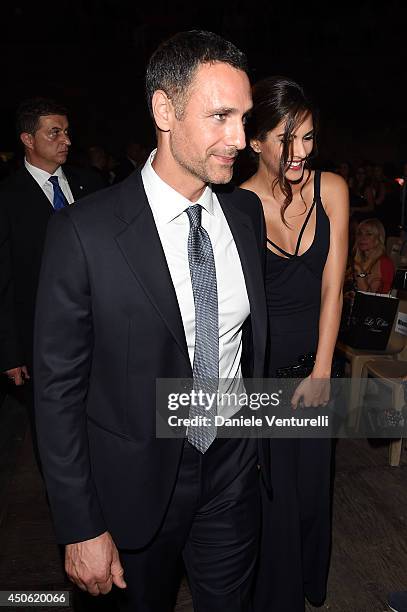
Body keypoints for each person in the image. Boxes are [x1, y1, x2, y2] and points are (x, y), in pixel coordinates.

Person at [34, 30, 267, 611]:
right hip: (133, 486)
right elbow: (58, 392)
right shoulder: (84, 233)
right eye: (220, 116)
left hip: (233, 467)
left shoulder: (243, 214)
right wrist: (79, 523)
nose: (240, 138)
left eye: (243, 117)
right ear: (164, 109)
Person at [240, 76, 349, 611]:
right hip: (262, 380)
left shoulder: (332, 189)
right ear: (256, 140)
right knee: (274, 501)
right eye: (287, 140)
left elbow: (334, 285)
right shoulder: (236, 205)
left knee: (312, 492)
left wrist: (323, 370)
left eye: (308, 137)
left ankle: (311, 583)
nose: (300, 152)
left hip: (318, 368)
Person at [0, 97, 104, 466]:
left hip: (101, 329)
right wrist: (10, 352)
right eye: (55, 132)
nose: (67, 140)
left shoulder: (90, 184)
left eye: (67, 131)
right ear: (28, 139)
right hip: (40, 338)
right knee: (53, 429)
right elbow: (5, 280)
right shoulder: (7, 198)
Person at [348, 218, 395, 293]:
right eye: (360, 233)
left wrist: (359, 271)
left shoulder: (384, 263)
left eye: (368, 234)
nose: (362, 238)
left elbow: (369, 296)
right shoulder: (357, 260)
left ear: (378, 238)